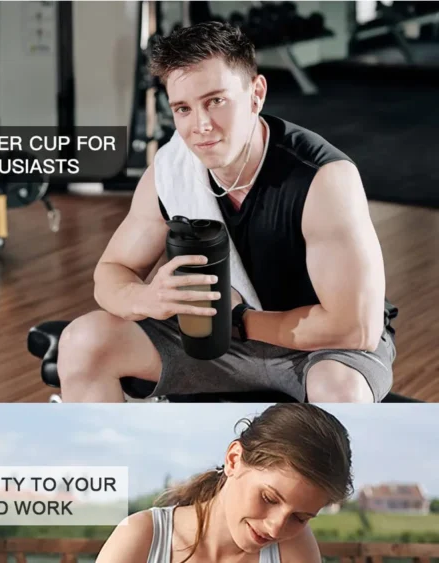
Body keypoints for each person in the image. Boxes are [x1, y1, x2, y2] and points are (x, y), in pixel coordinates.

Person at [57, 21, 397, 403]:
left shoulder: (321, 179)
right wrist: (145, 299)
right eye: (183, 108)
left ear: (256, 94)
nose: (201, 126)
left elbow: (355, 329)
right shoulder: (171, 173)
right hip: (221, 342)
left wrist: (237, 321)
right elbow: (110, 273)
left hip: (320, 348)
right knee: (83, 342)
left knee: (341, 390)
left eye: (215, 101)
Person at [96, 403, 353, 563]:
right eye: (269, 498)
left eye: (300, 517)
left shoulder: (293, 547)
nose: (276, 529)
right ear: (233, 460)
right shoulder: (142, 536)